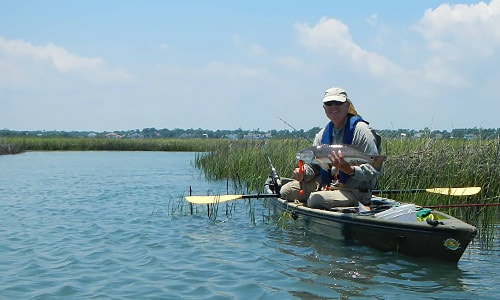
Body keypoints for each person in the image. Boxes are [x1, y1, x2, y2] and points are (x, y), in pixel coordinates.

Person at [279, 86, 382, 209]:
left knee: (315, 200)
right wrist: (304, 174)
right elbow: (314, 167)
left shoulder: (362, 131)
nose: (333, 106)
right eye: (329, 103)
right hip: (329, 184)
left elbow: (373, 171)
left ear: (347, 105)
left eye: (338, 102)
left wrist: (349, 169)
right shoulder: (322, 135)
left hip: (355, 190)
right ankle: (324, 195)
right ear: (324, 108)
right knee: (285, 191)